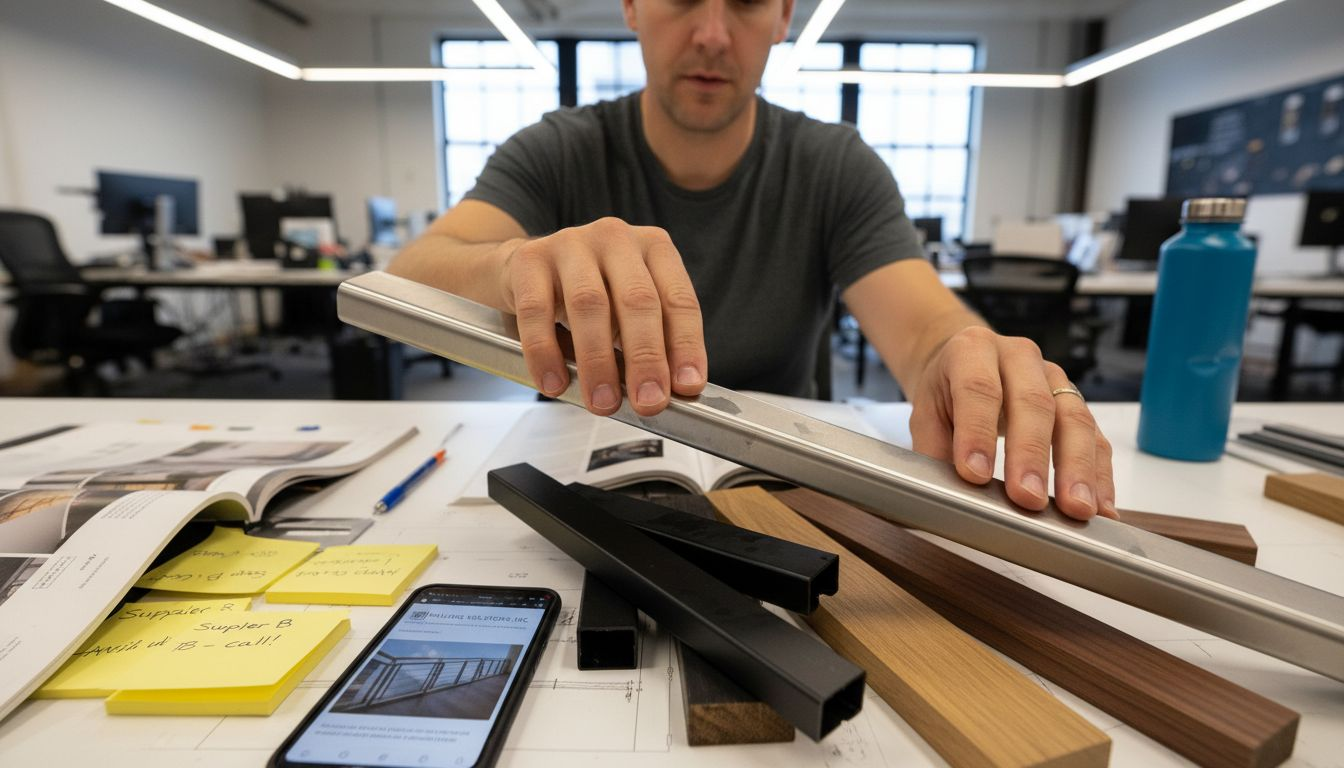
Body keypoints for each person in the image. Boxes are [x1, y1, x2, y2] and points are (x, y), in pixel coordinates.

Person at [389, 0, 1116, 521]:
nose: (712, 34)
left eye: (745, 2)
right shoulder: (556, 151)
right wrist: (515, 265)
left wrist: (970, 359)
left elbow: (925, 333)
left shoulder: (833, 166)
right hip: (579, 504)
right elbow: (409, 274)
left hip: (785, 500)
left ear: (783, 17)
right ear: (632, 6)